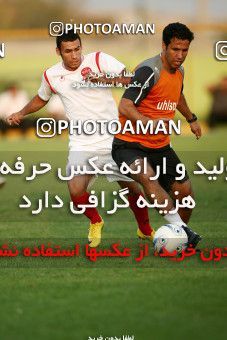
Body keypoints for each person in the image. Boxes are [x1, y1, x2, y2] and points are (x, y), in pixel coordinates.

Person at [7, 30, 154, 247]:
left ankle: (145, 229)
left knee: (131, 188)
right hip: (82, 143)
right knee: (75, 191)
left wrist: (102, 78)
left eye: (77, 49)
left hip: (113, 138)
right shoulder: (51, 75)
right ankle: (96, 221)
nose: (75, 55)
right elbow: (41, 98)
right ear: (58, 52)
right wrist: (20, 113)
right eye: (68, 51)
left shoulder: (99, 59)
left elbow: (131, 80)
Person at [112, 22, 202, 248]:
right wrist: (147, 123)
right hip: (129, 144)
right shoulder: (148, 71)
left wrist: (191, 119)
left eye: (185, 50)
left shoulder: (179, 70)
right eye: (175, 49)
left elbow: (177, 95)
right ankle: (185, 233)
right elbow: (125, 106)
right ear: (163, 45)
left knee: (185, 193)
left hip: (160, 146)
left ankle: (180, 237)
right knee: (147, 177)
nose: (180, 55)